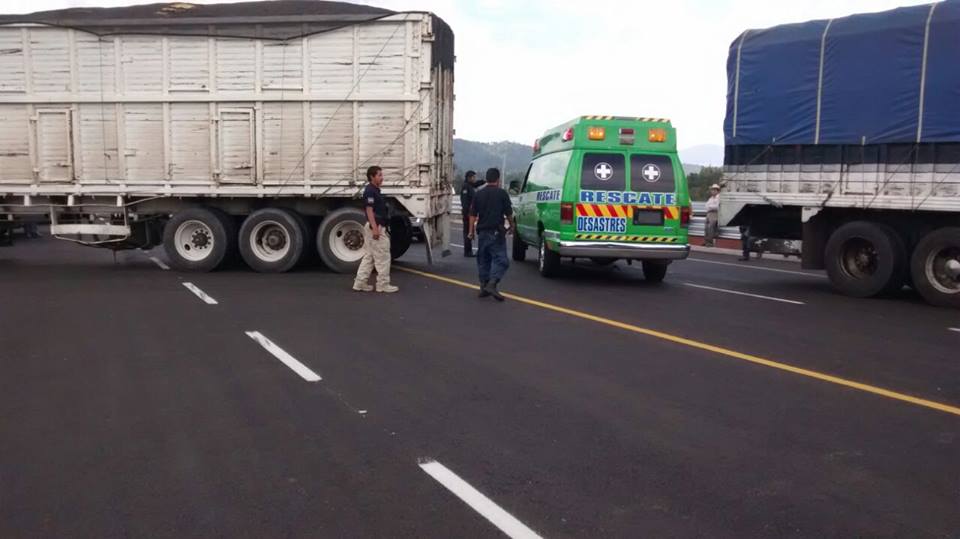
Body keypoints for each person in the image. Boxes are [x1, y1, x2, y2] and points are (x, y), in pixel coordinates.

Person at [468, 168, 515, 302]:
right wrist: (512, 226)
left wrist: (471, 232)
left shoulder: (479, 194)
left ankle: (483, 287)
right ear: (498, 180)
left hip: (482, 232)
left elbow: (472, 214)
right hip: (496, 232)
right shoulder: (502, 194)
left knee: (484, 259)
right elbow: (509, 213)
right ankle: (492, 284)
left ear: (487, 179)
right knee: (502, 261)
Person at [352, 166, 399, 293]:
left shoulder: (375, 190)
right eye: (379, 175)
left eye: (381, 175)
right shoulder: (370, 191)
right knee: (383, 256)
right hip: (376, 226)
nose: (382, 177)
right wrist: (375, 228)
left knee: (370, 256)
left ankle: (360, 283)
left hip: (375, 226)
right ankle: (383, 284)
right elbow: (369, 210)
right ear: (372, 177)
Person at [459, 170, 478, 257]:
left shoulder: (470, 186)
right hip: (467, 213)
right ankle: (467, 251)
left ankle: (469, 250)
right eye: (473, 177)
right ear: (469, 178)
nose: (475, 179)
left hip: (471, 213)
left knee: (470, 231)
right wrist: (467, 213)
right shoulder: (466, 187)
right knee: (467, 232)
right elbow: (465, 202)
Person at [704, 183, 721, 248]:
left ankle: (710, 243)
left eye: (714, 190)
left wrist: (710, 207)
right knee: (706, 228)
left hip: (715, 214)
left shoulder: (719, 197)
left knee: (711, 227)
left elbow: (717, 207)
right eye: (712, 190)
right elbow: (706, 205)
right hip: (709, 213)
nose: (713, 191)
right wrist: (710, 207)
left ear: (717, 191)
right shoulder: (711, 198)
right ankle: (706, 241)